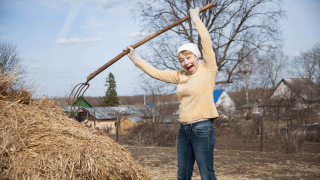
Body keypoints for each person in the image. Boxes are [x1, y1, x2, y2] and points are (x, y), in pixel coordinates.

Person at [124, 7, 218, 180]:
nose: (185, 62)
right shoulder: (180, 76)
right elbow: (156, 73)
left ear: (196, 57)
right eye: (181, 60)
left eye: (188, 58)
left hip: (202, 128)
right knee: (182, 174)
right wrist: (135, 58)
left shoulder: (208, 70)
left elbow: (206, 41)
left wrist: (195, 18)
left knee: (207, 174)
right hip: (184, 129)